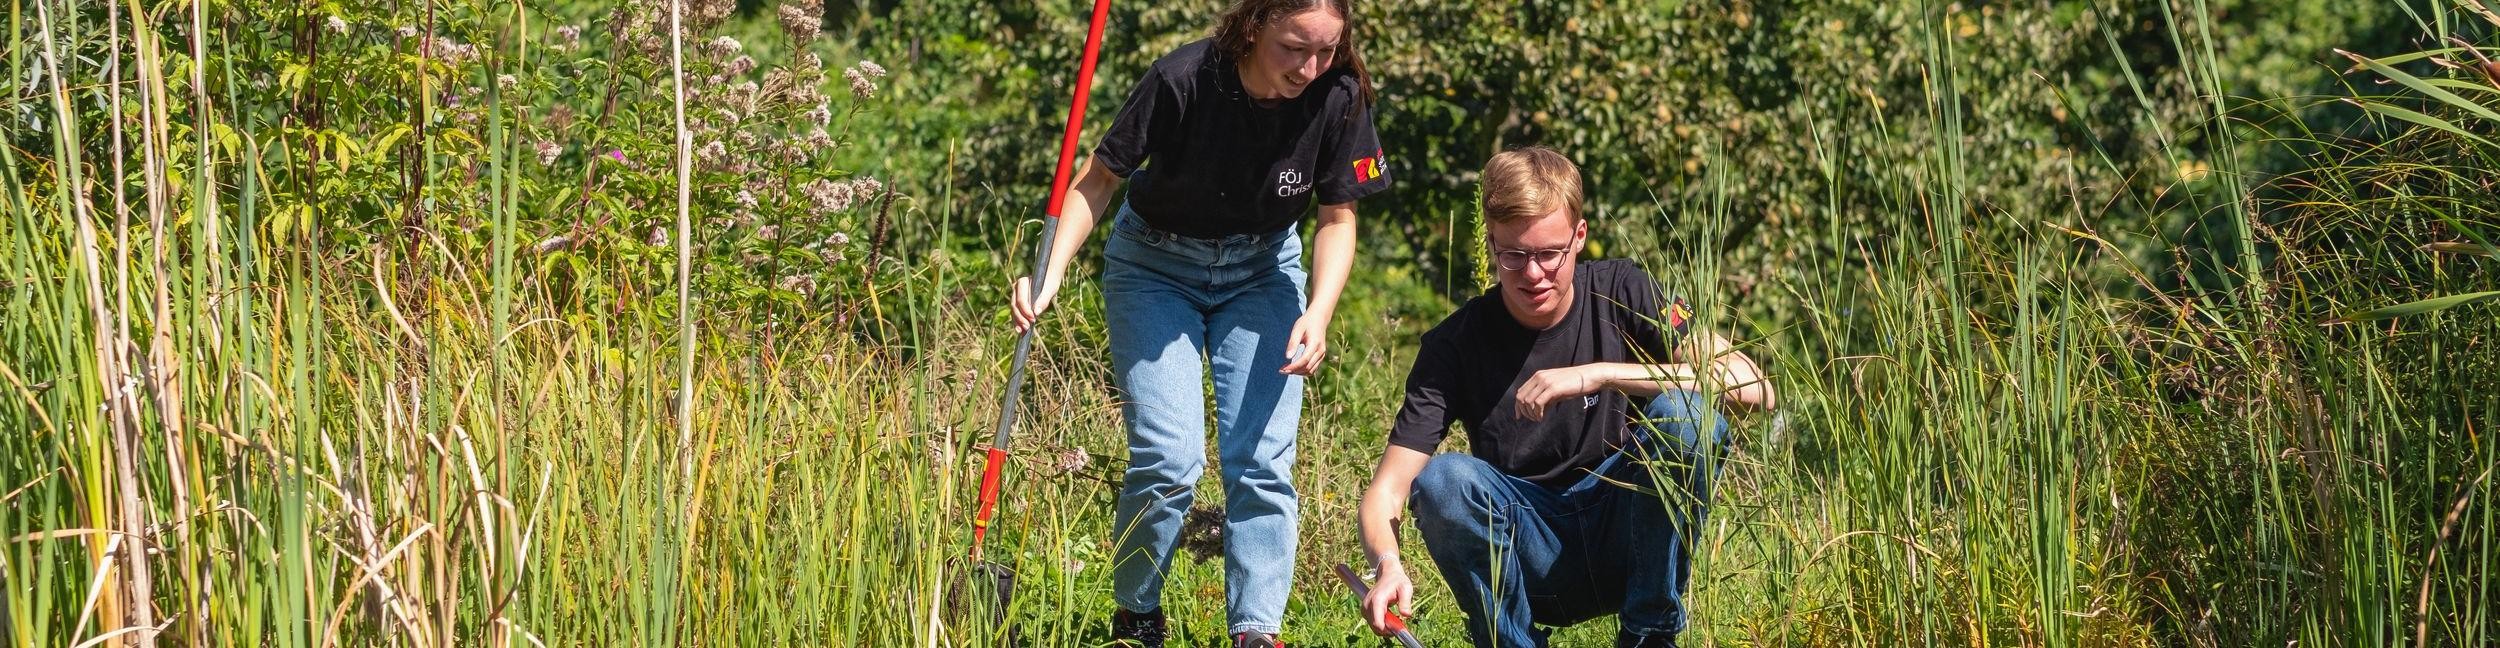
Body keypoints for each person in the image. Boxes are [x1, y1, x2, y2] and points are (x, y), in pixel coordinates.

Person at [1006, 1, 1391, 646]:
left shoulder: (1340, 96)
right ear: (1255, 27)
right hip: (1155, 265)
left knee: (1262, 463)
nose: (1311, 67)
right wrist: (1050, 270)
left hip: (1264, 271)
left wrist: (1318, 312)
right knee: (1168, 460)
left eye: (1326, 50)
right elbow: (1098, 182)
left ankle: (1255, 630)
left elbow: (1337, 220)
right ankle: (1136, 613)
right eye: (1296, 47)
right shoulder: (1183, 78)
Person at [1352, 147, 1774, 648]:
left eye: (1550, 253)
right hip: (1530, 548)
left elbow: (1753, 387)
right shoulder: (1454, 344)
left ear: (1579, 237)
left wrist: (1597, 375)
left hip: (1630, 533)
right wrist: (1387, 565)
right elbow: (1385, 495)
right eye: (1514, 255)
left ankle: (1649, 635)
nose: (1533, 274)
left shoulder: (1626, 289)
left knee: (1686, 417)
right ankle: (1509, 640)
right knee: (1444, 479)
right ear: (1489, 243)